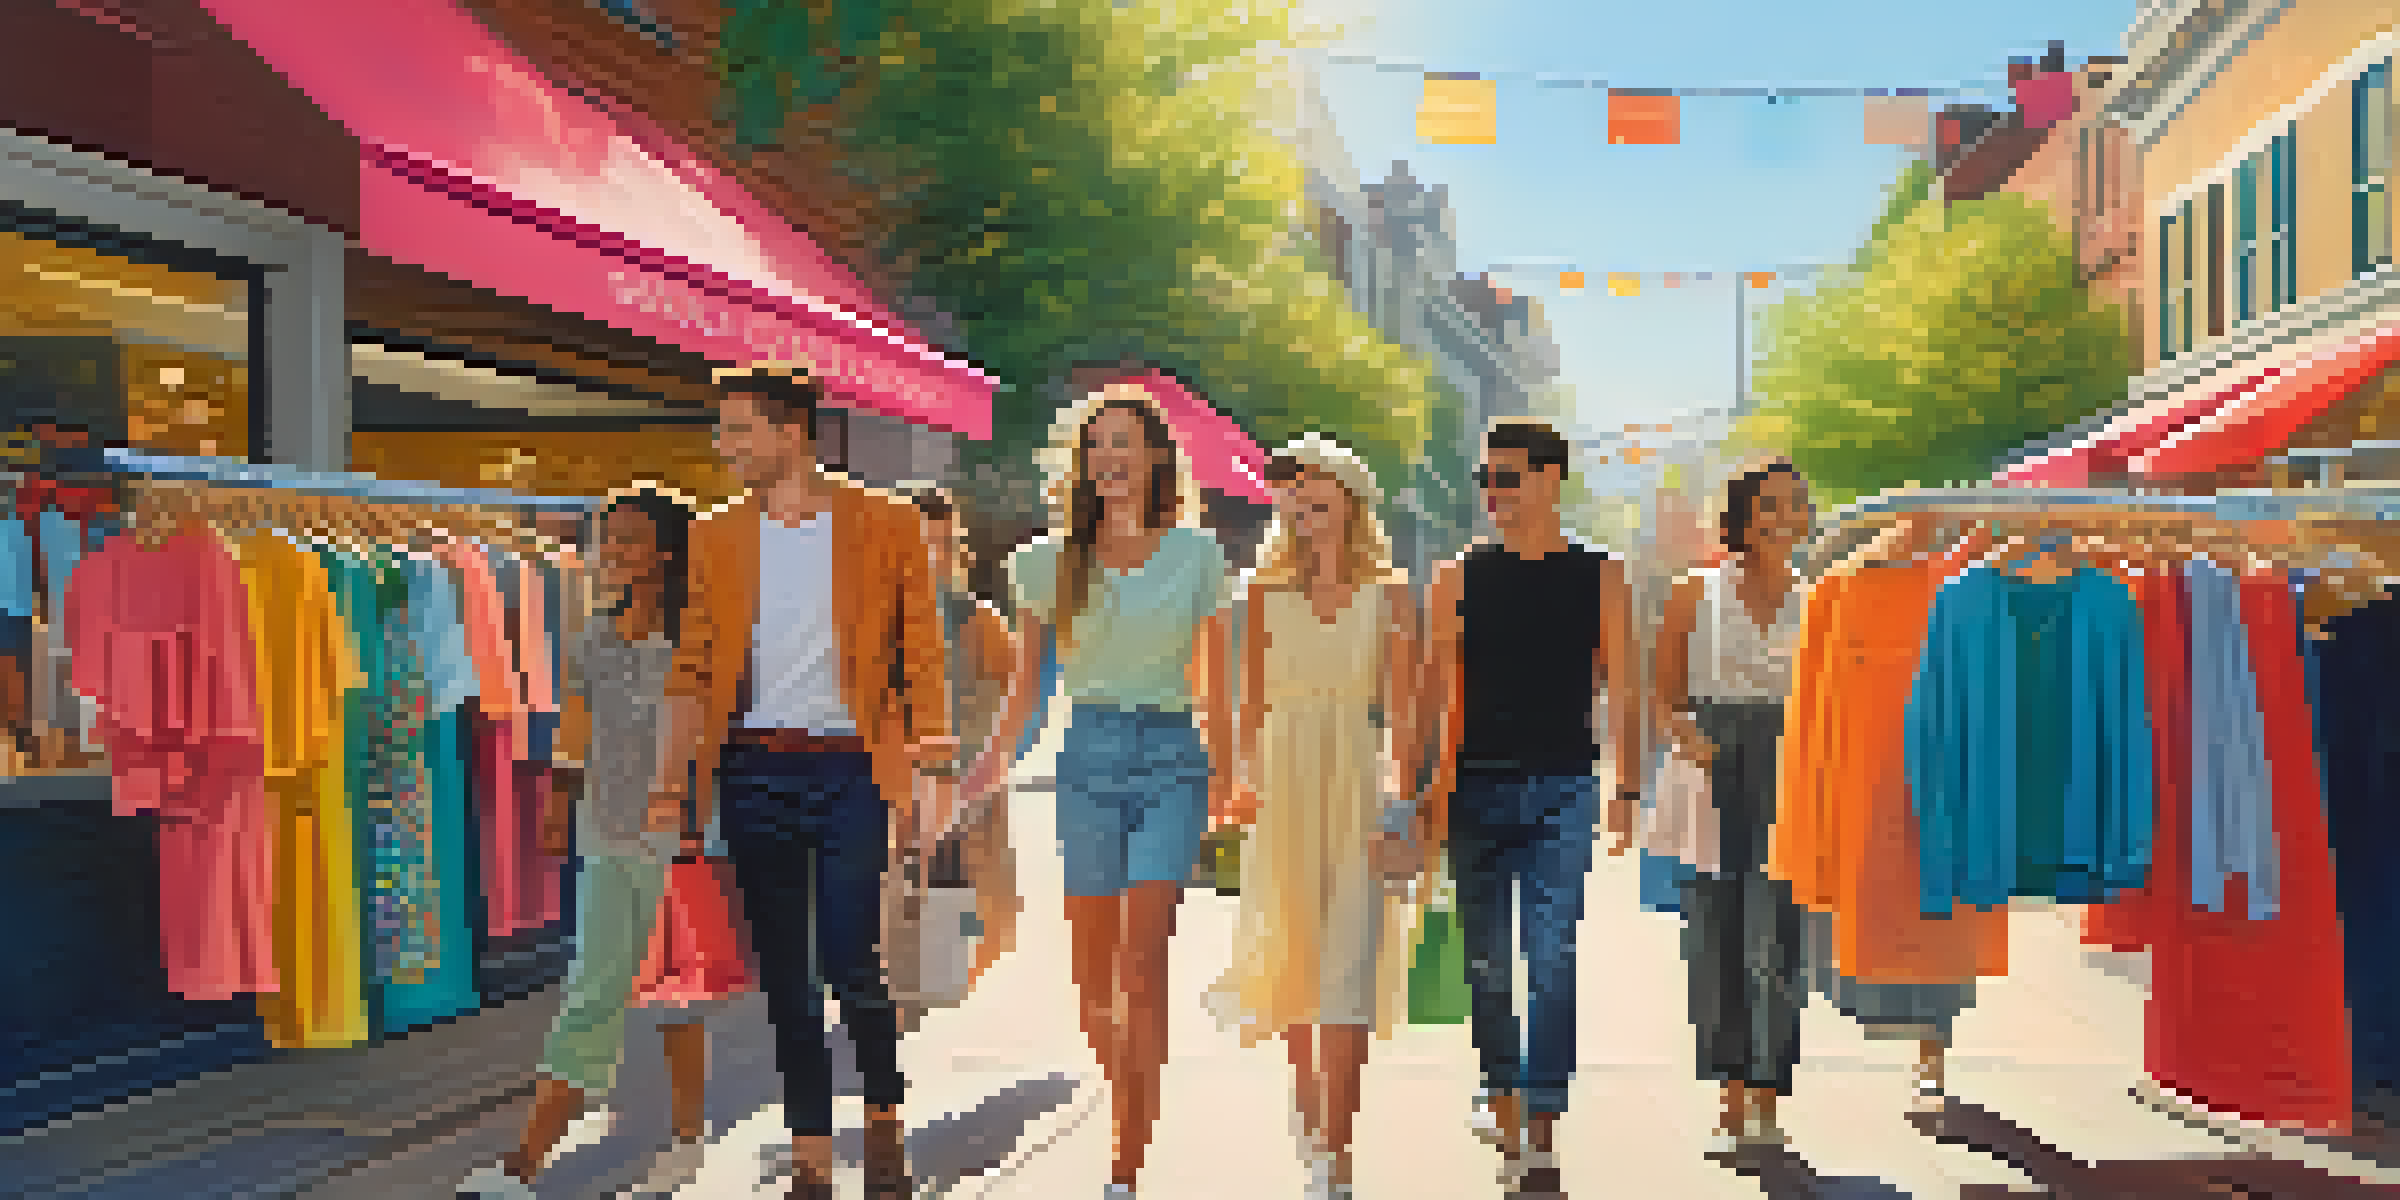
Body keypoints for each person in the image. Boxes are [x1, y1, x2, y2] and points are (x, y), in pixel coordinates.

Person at [651, 366, 954, 1200]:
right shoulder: (715, 535)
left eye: (739, 430)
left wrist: (932, 766)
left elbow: (922, 650)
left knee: (853, 959)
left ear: (791, 432)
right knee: (787, 976)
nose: (725, 446)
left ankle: (884, 1121)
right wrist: (672, 786)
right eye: (723, 430)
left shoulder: (885, 522)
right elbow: (693, 666)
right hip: (754, 770)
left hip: (854, 767)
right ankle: (811, 1157)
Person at [968, 382, 1233, 1200]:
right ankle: (1129, 1091)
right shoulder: (1047, 563)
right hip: (1085, 761)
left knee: (1142, 964)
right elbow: (1027, 685)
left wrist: (1229, 773)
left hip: (1172, 760)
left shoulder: (1196, 556)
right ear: (1082, 464)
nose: (1109, 457)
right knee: (1092, 984)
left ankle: (1127, 1153)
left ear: (1154, 458)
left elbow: (1215, 682)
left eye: (1124, 442)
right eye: (1097, 445)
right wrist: (988, 766)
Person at [458, 487, 711, 1199]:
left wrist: (700, 826)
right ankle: (524, 1168)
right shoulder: (592, 636)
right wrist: (557, 805)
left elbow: (716, 736)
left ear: (666, 551)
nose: (612, 551)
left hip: (678, 837)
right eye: (607, 538)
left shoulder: (700, 639)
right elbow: (576, 729)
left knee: (677, 994)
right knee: (594, 990)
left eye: (629, 538)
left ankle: (687, 1142)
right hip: (605, 830)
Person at [1423, 418, 1641, 1197]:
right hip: (1474, 790)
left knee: (1552, 956)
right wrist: (1427, 794)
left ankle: (1542, 1120)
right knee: (1486, 964)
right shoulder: (1455, 578)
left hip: (1564, 788)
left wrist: (1627, 788)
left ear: (1551, 479)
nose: (1493, 492)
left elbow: (1624, 687)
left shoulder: (1602, 575)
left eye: (1507, 478)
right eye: (1485, 479)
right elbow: (1440, 698)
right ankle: (1504, 1101)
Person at [1204, 435, 1424, 1200]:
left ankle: (1339, 1143)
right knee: (1294, 948)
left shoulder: (1390, 593)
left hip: (1358, 784)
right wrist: (1238, 784)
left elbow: (1404, 714)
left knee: (1352, 963)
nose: (1301, 497)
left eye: (1313, 483)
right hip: (1285, 786)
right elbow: (1250, 704)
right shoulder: (1262, 594)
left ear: (1349, 495)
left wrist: (1402, 802)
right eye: (1291, 489)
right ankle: (1305, 1087)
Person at [1652, 458, 1813, 1157]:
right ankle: (1729, 1096)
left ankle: (1769, 1095)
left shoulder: (1816, 597)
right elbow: (1663, 693)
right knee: (1714, 934)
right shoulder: (1696, 591)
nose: (1785, 516)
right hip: (1712, 761)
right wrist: (1685, 733)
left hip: (1789, 763)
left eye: (1796, 504)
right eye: (1771, 504)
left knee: (1780, 937)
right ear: (1742, 516)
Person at [891, 484, 1021, 1025]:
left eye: (942, 545)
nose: (932, 558)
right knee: (901, 905)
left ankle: (925, 986)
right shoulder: (868, 622)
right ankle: (897, 1005)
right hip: (895, 785)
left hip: (968, 784)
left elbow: (1017, 702)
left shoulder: (978, 622)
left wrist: (991, 765)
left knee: (997, 919)